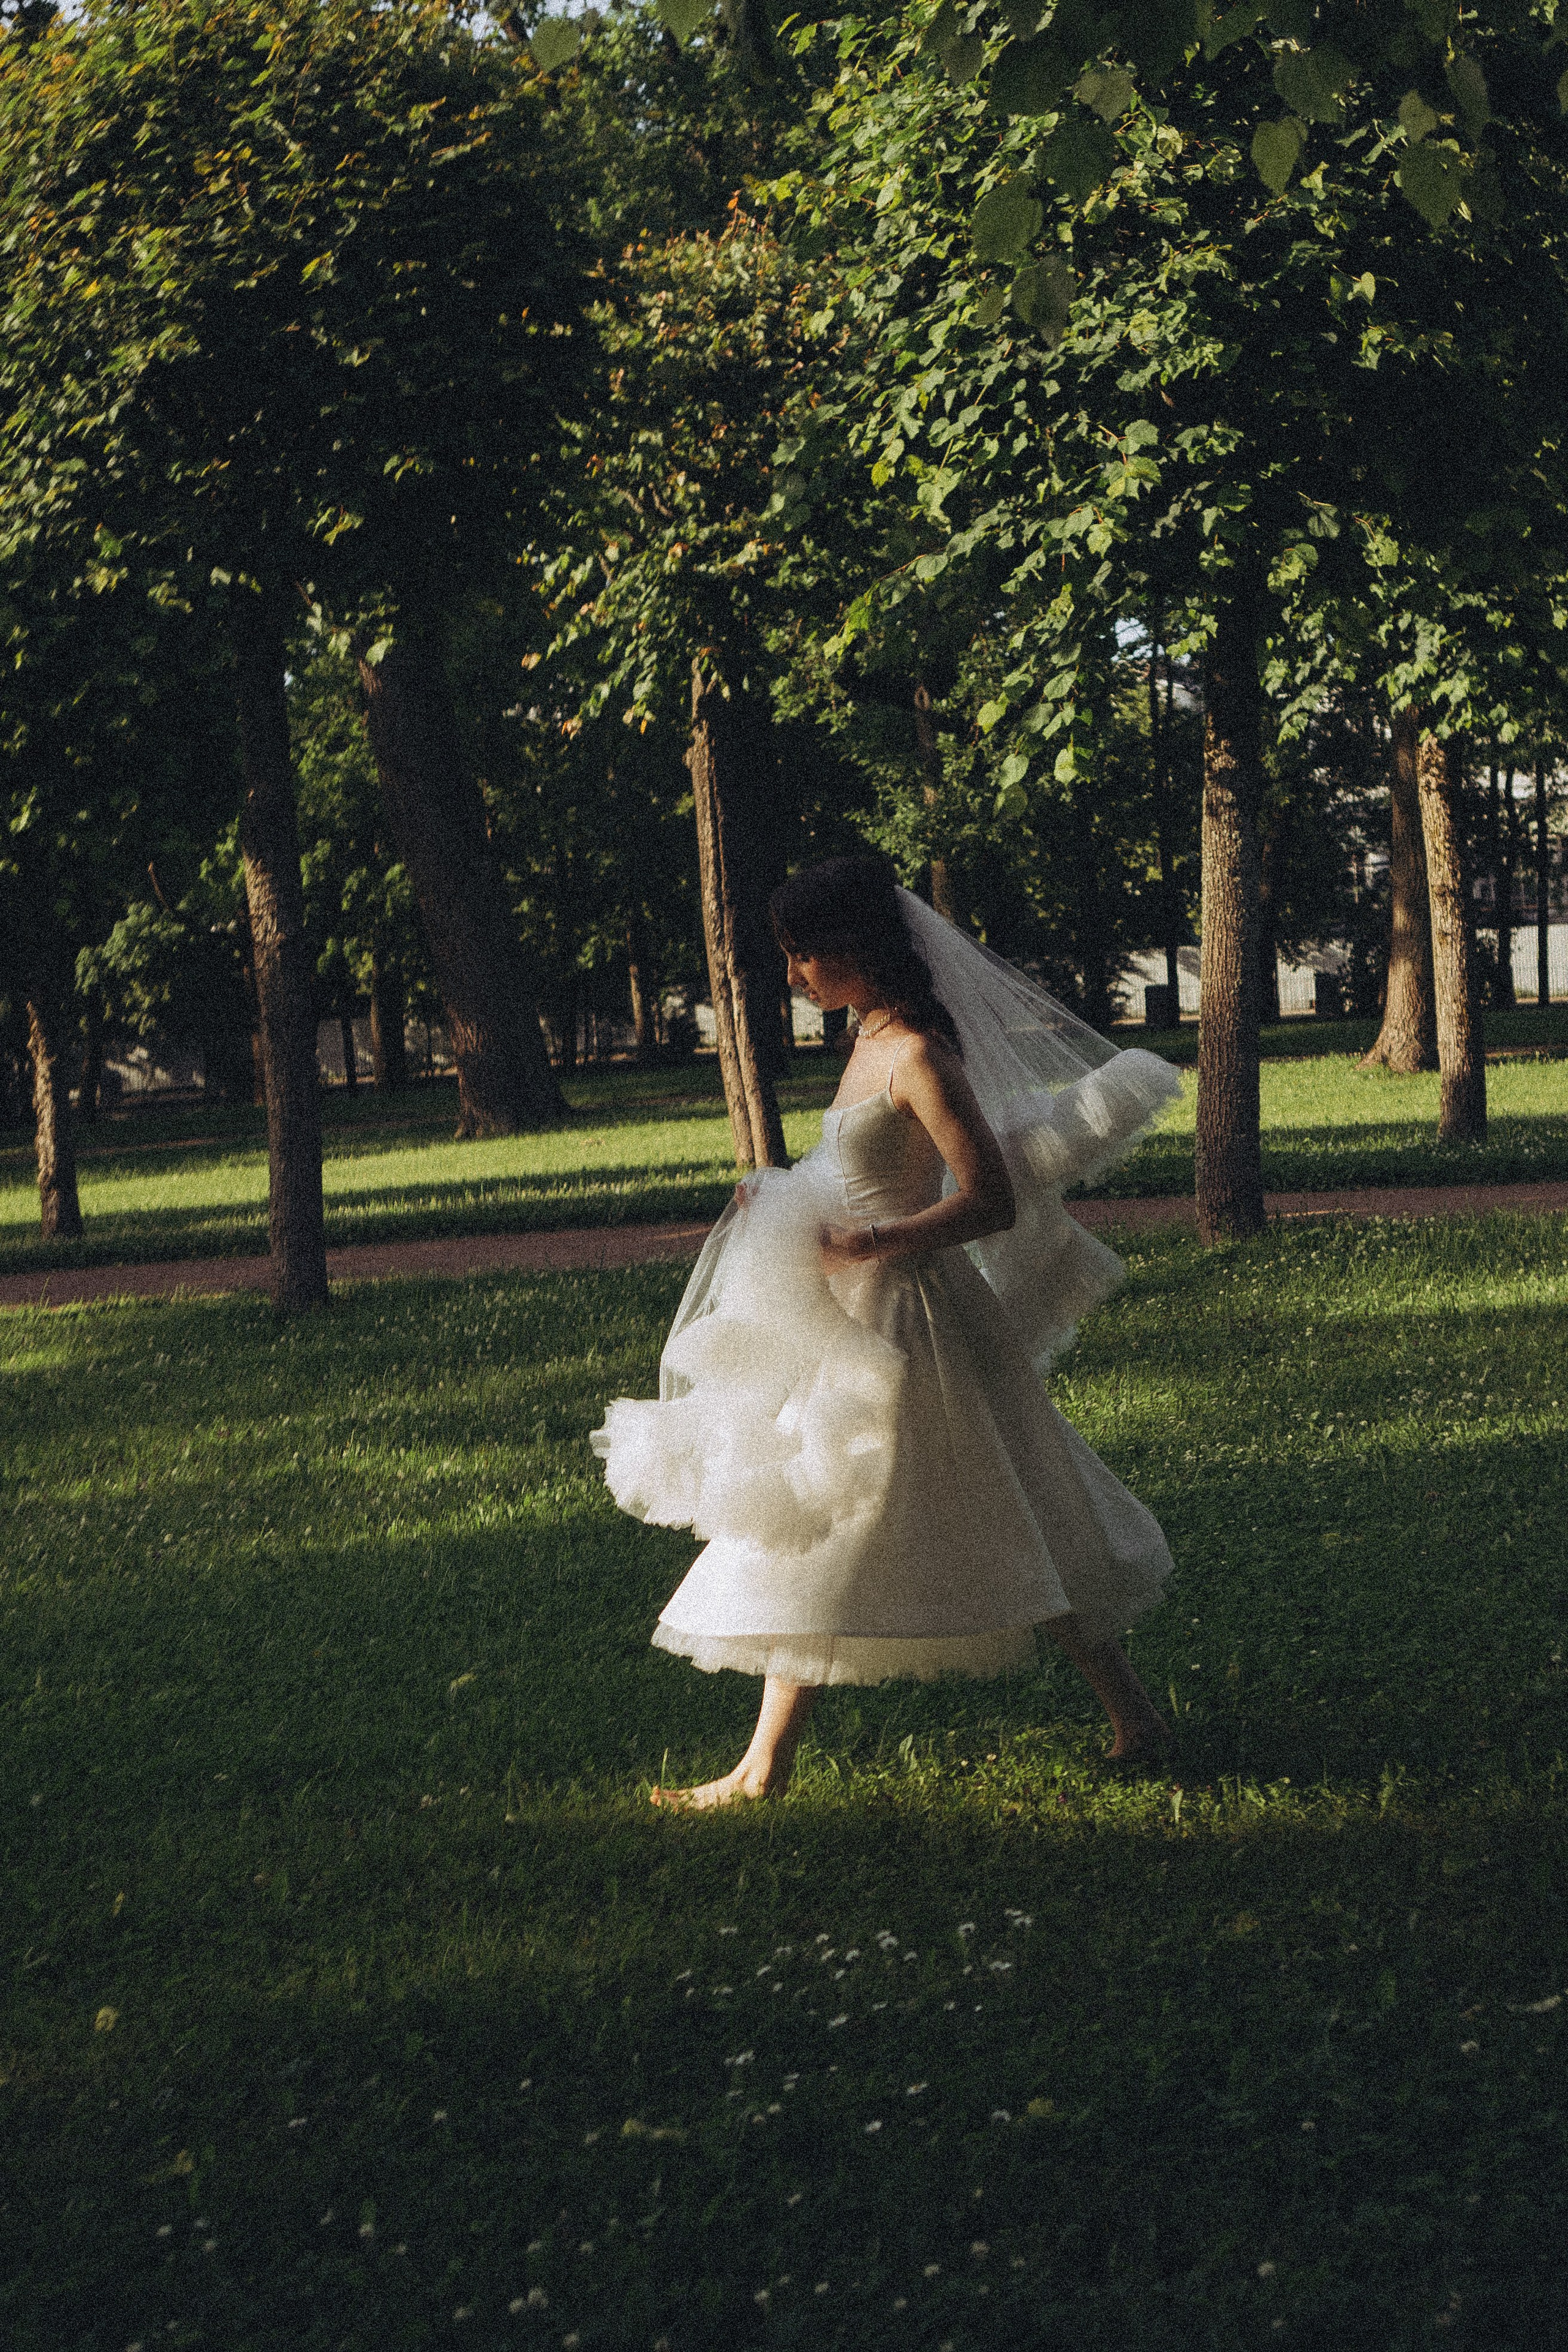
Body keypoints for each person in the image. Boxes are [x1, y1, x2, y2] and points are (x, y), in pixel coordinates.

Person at [593, 856, 1183, 1808]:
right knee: (871, 1502)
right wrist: (784, 1199)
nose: (794, 976)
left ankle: (768, 1771)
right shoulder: (868, 1042)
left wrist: (871, 1240)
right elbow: (860, 1169)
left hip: (914, 1317)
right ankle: (769, 1764)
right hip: (856, 1311)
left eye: (804, 956)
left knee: (892, 1506)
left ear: (855, 952)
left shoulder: (918, 1055)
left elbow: (987, 1202)